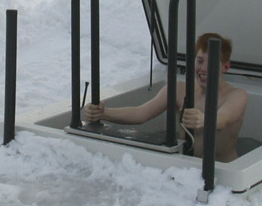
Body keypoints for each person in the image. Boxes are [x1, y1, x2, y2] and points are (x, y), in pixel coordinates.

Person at [83, 32, 249, 162]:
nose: (203, 69)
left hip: (223, 171)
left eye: (211, 63)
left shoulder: (237, 96)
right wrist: (104, 113)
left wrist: (203, 119)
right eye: (199, 61)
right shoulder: (179, 90)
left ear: (225, 67)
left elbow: (223, 118)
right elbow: (141, 114)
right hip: (188, 166)